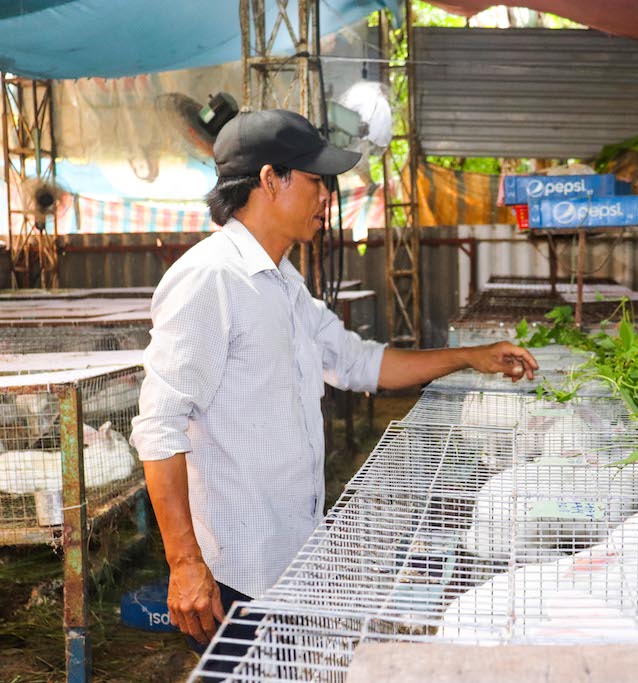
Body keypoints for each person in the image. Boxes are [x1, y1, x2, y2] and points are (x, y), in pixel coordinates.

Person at [129, 109, 539, 666]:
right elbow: (158, 426)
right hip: (237, 572)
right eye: (317, 181)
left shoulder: (283, 280)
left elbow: (358, 363)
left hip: (293, 554)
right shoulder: (210, 278)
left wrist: (470, 357)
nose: (327, 197)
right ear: (270, 180)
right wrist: (184, 565)